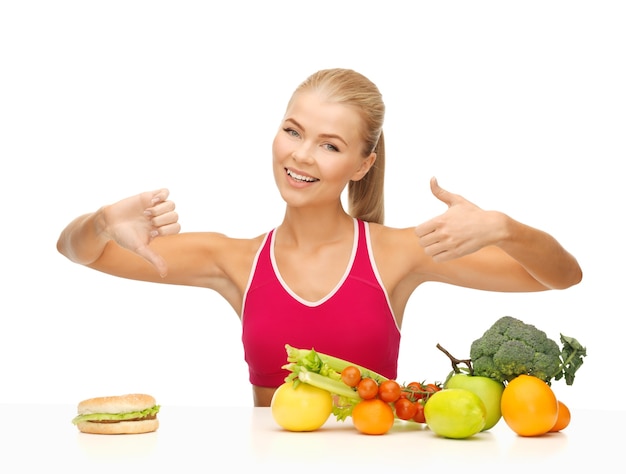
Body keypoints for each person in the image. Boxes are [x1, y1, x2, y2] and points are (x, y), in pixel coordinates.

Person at [57, 68, 582, 407]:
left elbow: (559, 278)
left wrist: (505, 229)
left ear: (363, 164)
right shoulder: (233, 260)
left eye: (330, 145)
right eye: (293, 130)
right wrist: (102, 220)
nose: (301, 155)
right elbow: (80, 253)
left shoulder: (397, 252)